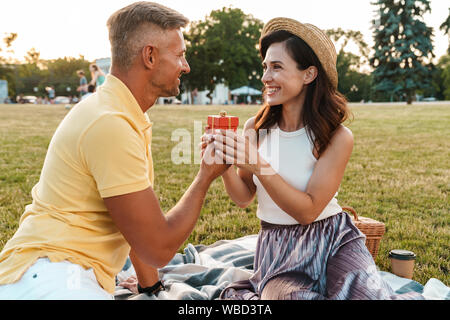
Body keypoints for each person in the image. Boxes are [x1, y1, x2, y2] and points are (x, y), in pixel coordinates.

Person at [0, 1, 228, 300]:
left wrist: (152, 289)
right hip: (53, 275)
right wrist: (205, 177)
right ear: (150, 56)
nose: (185, 66)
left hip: (57, 271)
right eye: (180, 55)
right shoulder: (111, 124)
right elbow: (158, 247)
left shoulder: (123, 113)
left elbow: (134, 224)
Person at [202, 17, 424, 300]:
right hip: (279, 248)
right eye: (265, 67)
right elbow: (244, 197)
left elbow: (308, 212)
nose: (265, 77)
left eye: (277, 67)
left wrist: (257, 163)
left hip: (335, 240)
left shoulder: (337, 136)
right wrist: (223, 169)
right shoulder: (255, 129)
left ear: (308, 74)